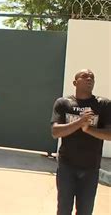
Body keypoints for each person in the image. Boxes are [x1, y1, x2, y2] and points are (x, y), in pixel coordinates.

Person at [51, 69, 111, 215]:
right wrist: (79, 122)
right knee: (64, 209)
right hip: (67, 167)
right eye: (84, 76)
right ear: (75, 82)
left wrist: (87, 128)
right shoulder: (63, 103)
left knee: (85, 211)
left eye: (92, 77)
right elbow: (55, 132)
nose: (89, 78)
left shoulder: (103, 104)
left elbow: (109, 135)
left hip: (91, 168)